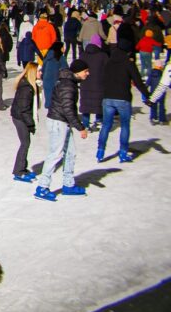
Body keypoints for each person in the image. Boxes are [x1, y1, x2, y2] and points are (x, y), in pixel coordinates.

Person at [34, 59, 90, 201]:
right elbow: (68, 109)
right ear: (77, 72)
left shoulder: (68, 82)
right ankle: (42, 187)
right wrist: (80, 127)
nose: (87, 74)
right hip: (58, 122)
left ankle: (68, 184)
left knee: (70, 153)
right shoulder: (68, 85)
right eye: (85, 71)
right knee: (56, 154)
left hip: (62, 121)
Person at [96, 43, 151, 163]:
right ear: (128, 52)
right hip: (123, 98)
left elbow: (102, 79)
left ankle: (100, 151)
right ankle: (123, 153)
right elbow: (138, 81)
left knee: (106, 125)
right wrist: (147, 96)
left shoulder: (109, 63)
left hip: (107, 98)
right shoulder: (128, 63)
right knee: (125, 126)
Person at [10, 63, 41, 182]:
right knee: (25, 143)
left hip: (20, 116)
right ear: (33, 72)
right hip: (20, 117)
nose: (41, 73)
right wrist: (31, 124)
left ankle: (22, 167)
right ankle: (19, 171)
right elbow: (24, 109)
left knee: (26, 142)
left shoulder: (29, 84)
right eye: (39, 71)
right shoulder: (27, 88)